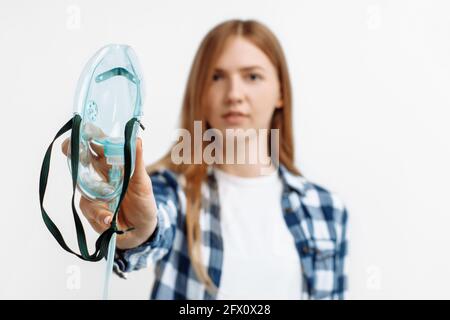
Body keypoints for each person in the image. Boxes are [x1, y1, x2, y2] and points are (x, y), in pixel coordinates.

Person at [62, 19, 348, 300]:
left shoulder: (327, 210)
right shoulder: (170, 192)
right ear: (200, 92)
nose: (234, 94)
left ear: (280, 92)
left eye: (252, 76)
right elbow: (155, 222)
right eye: (216, 77)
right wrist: (138, 231)